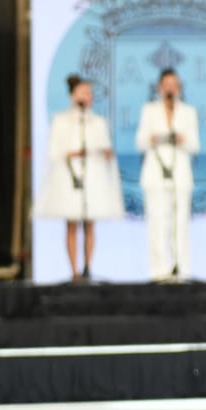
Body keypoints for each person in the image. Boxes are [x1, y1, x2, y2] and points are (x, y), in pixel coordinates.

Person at [34, 74, 124, 283]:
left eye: (89, 93)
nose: (87, 96)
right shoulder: (61, 120)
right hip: (70, 176)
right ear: (73, 95)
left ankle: (88, 267)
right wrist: (75, 153)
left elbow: (104, 147)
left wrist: (105, 153)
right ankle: (73, 270)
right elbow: (54, 151)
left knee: (90, 223)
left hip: (92, 175)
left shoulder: (97, 122)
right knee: (72, 224)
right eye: (83, 92)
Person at [135, 69, 201, 282]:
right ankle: (159, 269)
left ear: (179, 87)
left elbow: (195, 145)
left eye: (174, 84)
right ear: (159, 87)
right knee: (157, 222)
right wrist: (155, 138)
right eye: (166, 84)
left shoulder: (188, 112)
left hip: (180, 173)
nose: (170, 88)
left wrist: (182, 139)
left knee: (181, 222)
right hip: (155, 173)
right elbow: (140, 142)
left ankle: (182, 268)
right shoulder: (149, 110)